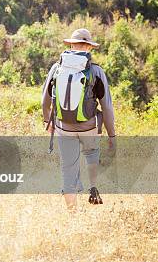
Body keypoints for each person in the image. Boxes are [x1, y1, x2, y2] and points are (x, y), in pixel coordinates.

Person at [41, 28, 116, 210]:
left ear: (71, 45)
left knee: (68, 168)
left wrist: (47, 122)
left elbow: (45, 100)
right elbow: (106, 106)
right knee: (91, 154)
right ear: (89, 47)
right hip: (89, 126)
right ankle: (93, 188)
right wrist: (112, 136)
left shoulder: (56, 68)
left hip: (63, 127)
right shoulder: (96, 71)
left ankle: (72, 213)